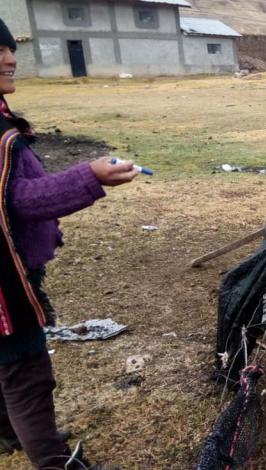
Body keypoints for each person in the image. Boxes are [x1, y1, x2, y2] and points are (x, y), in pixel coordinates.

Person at [0, 18, 137, 470]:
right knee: (26, 370)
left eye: (10, 48)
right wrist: (89, 177)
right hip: (3, 283)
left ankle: (9, 430)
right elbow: (18, 199)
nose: (10, 59)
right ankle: (53, 462)